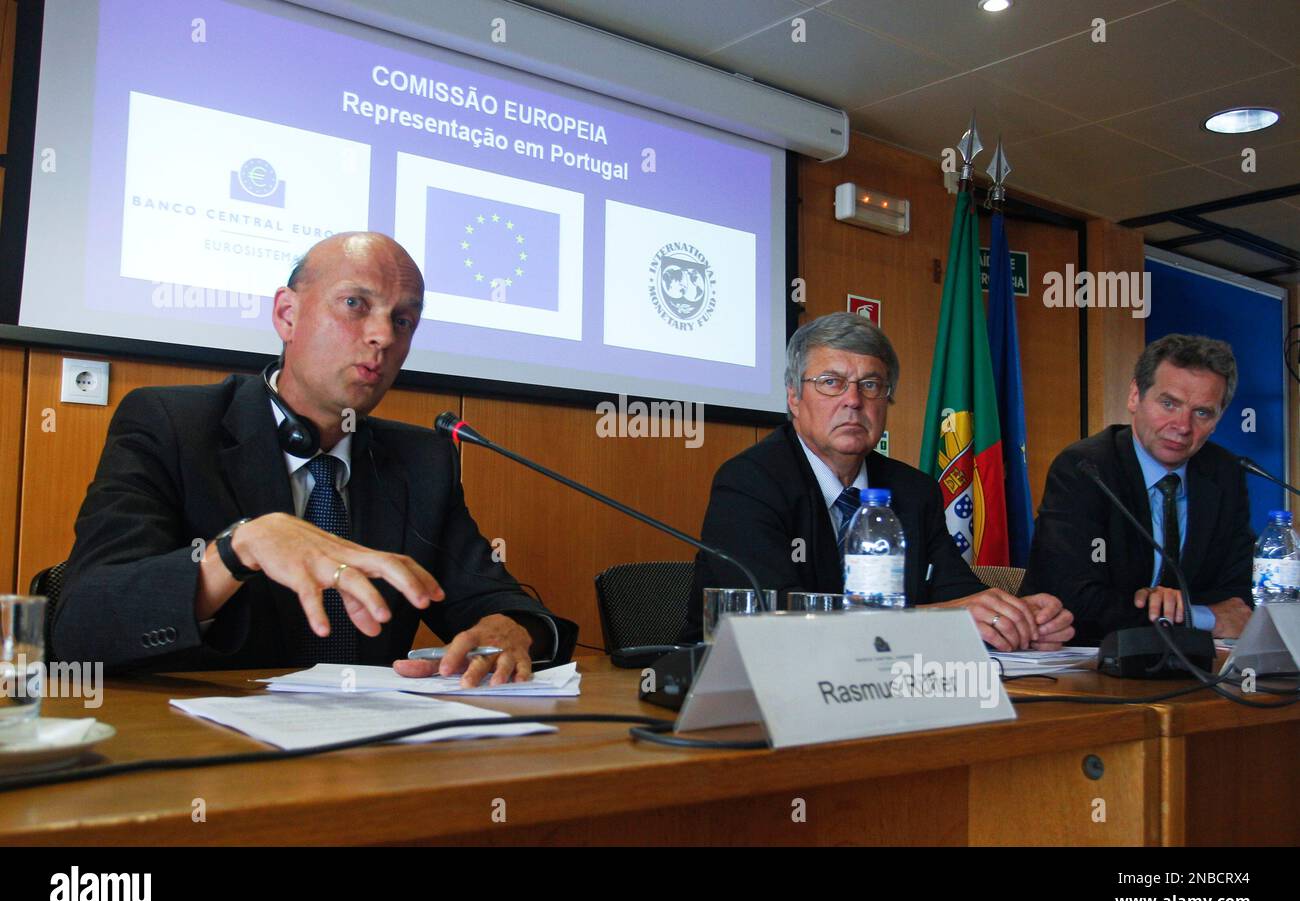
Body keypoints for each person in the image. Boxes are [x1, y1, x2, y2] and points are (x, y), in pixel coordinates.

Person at [54, 232, 575, 683]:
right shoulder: (171, 425)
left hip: (369, 759)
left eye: (404, 320)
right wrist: (238, 550)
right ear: (287, 314)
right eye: (355, 305)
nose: (383, 336)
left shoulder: (422, 461)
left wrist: (512, 628)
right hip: (205, 758)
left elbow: (492, 599)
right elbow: (81, 627)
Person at [684, 313, 1074, 651]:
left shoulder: (914, 491)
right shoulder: (749, 482)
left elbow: (957, 596)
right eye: (831, 382)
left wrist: (1014, 618)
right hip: (745, 691)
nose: (853, 400)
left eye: (871, 385)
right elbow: (774, 618)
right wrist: (935, 619)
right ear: (793, 397)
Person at [1022, 333, 1254, 644]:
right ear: (1135, 395)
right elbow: (1075, 597)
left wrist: (1212, 616)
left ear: (1217, 420)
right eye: (1169, 403)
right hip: (1088, 661)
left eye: (1202, 412)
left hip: (1194, 669)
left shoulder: (1224, 473)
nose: (1183, 426)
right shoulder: (1086, 468)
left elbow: (1239, 600)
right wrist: (1200, 616)